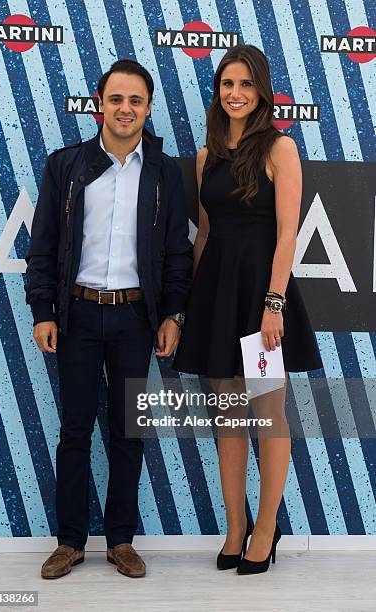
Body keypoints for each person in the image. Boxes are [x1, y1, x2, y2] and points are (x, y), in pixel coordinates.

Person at [25, 59, 192, 579]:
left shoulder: (164, 172)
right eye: (116, 99)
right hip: (75, 317)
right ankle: (69, 542)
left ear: (147, 108)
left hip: (135, 320)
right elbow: (44, 248)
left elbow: (176, 256)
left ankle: (121, 540)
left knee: (127, 434)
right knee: (74, 432)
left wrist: (173, 314)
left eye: (136, 101)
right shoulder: (66, 166)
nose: (125, 109)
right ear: (99, 103)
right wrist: (43, 311)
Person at [173, 44, 322, 575]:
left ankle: (266, 528)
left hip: (263, 299)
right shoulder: (205, 155)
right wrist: (190, 303)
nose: (234, 94)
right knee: (229, 418)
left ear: (261, 91)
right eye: (226, 85)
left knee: (267, 415)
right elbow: (206, 234)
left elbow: (287, 235)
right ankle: (234, 527)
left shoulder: (279, 149)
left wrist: (273, 306)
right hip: (216, 295)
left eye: (245, 85)